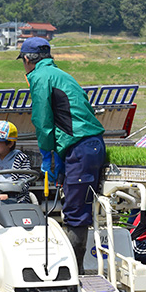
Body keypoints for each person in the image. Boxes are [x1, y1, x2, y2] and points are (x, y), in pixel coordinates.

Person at [17, 37, 106, 275]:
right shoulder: (63, 75)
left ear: (27, 59)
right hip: (92, 146)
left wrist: (47, 154)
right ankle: (77, 266)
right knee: (81, 205)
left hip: (79, 148)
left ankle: (75, 272)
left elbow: (43, 120)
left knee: (76, 212)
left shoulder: (38, 77)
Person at [0, 120, 32, 211]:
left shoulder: (21, 158)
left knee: (21, 211)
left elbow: (24, 181)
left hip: (17, 196)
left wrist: (9, 195)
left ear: (10, 143)